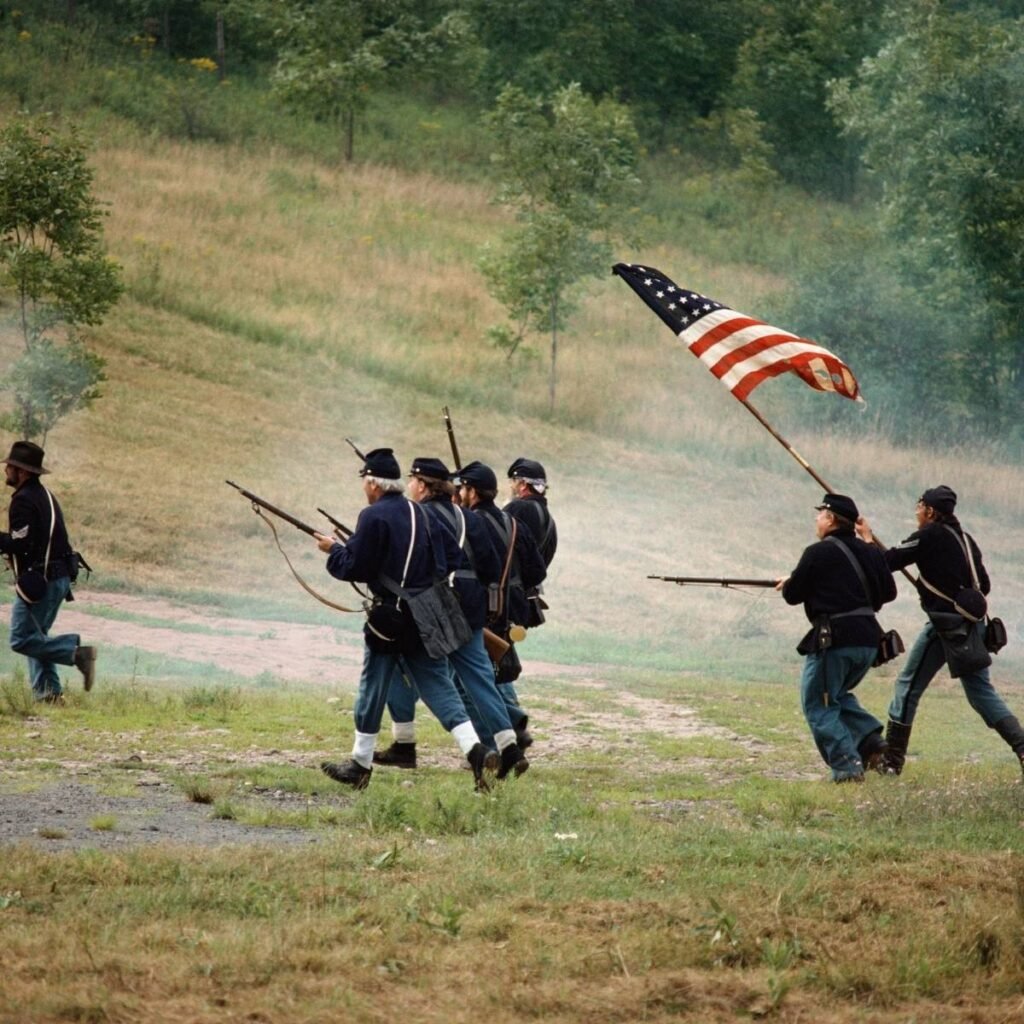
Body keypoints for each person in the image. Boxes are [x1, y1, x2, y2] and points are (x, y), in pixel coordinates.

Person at [315, 447, 493, 791]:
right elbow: (451, 559)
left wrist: (335, 551)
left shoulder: (373, 517)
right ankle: (475, 750)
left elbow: (356, 568)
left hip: (389, 618)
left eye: (365, 482)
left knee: (372, 686)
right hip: (425, 617)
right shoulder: (424, 514)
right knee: (438, 687)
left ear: (373, 483)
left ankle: (360, 763)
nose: (365, 488)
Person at [374, 457, 529, 779]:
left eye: (414, 481)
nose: (411, 487)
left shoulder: (419, 515)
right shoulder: (467, 517)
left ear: (422, 485)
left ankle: (404, 743)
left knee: (402, 667)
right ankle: (509, 746)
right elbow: (489, 564)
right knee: (480, 679)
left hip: (434, 604)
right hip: (471, 605)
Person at [857, 485, 1024, 777]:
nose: (917, 511)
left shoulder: (929, 535)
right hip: (972, 627)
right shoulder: (967, 540)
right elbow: (983, 586)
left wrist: (869, 541)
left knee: (907, 686)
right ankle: (1022, 747)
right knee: (981, 694)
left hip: (944, 628)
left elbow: (887, 562)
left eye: (919, 505)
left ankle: (892, 763)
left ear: (931, 511)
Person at [778, 493, 897, 783]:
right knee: (837, 695)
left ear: (830, 519)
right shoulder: (870, 552)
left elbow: (793, 596)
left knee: (818, 704)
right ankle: (870, 743)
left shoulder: (817, 552)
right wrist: (869, 544)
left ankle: (847, 769)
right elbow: (888, 592)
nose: (816, 520)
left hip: (835, 642)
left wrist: (789, 584)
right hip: (868, 642)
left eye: (820, 514)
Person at [458, 461, 546, 751]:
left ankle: (504, 734)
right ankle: (509, 729)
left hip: (477, 607)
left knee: (470, 678)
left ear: (472, 493)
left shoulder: (467, 523)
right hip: (509, 610)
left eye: (462, 489)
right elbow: (537, 572)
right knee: (493, 670)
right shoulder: (514, 523)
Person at [0, 441, 95, 703]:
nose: (6, 469)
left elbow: (21, 544)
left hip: (43, 579)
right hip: (58, 576)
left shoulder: (23, 501)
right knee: (35, 637)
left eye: (11, 466)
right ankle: (49, 695)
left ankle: (76, 654)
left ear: (23, 472)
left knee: (21, 640)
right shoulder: (45, 496)